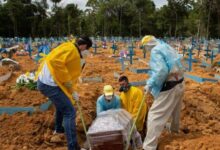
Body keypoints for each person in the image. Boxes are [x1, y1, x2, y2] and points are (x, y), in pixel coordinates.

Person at [36, 36, 92, 150]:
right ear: (84, 46)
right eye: (87, 49)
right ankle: (73, 146)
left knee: (61, 106)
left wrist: (72, 91)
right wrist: (70, 87)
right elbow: (55, 61)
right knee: (70, 112)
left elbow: (67, 69)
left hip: (53, 82)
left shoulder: (70, 47)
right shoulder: (71, 50)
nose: (87, 52)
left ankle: (59, 129)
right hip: (49, 84)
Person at [141, 35, 185, 150]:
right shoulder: (165, 46)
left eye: (145, 48)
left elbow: (161, 71)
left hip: (170, 85)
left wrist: (150, 84)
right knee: (175, 111)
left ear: (147, 45)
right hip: (180, 82)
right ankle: (174, 132)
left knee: (154, 116)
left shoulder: (156, 50)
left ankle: (149, 147)